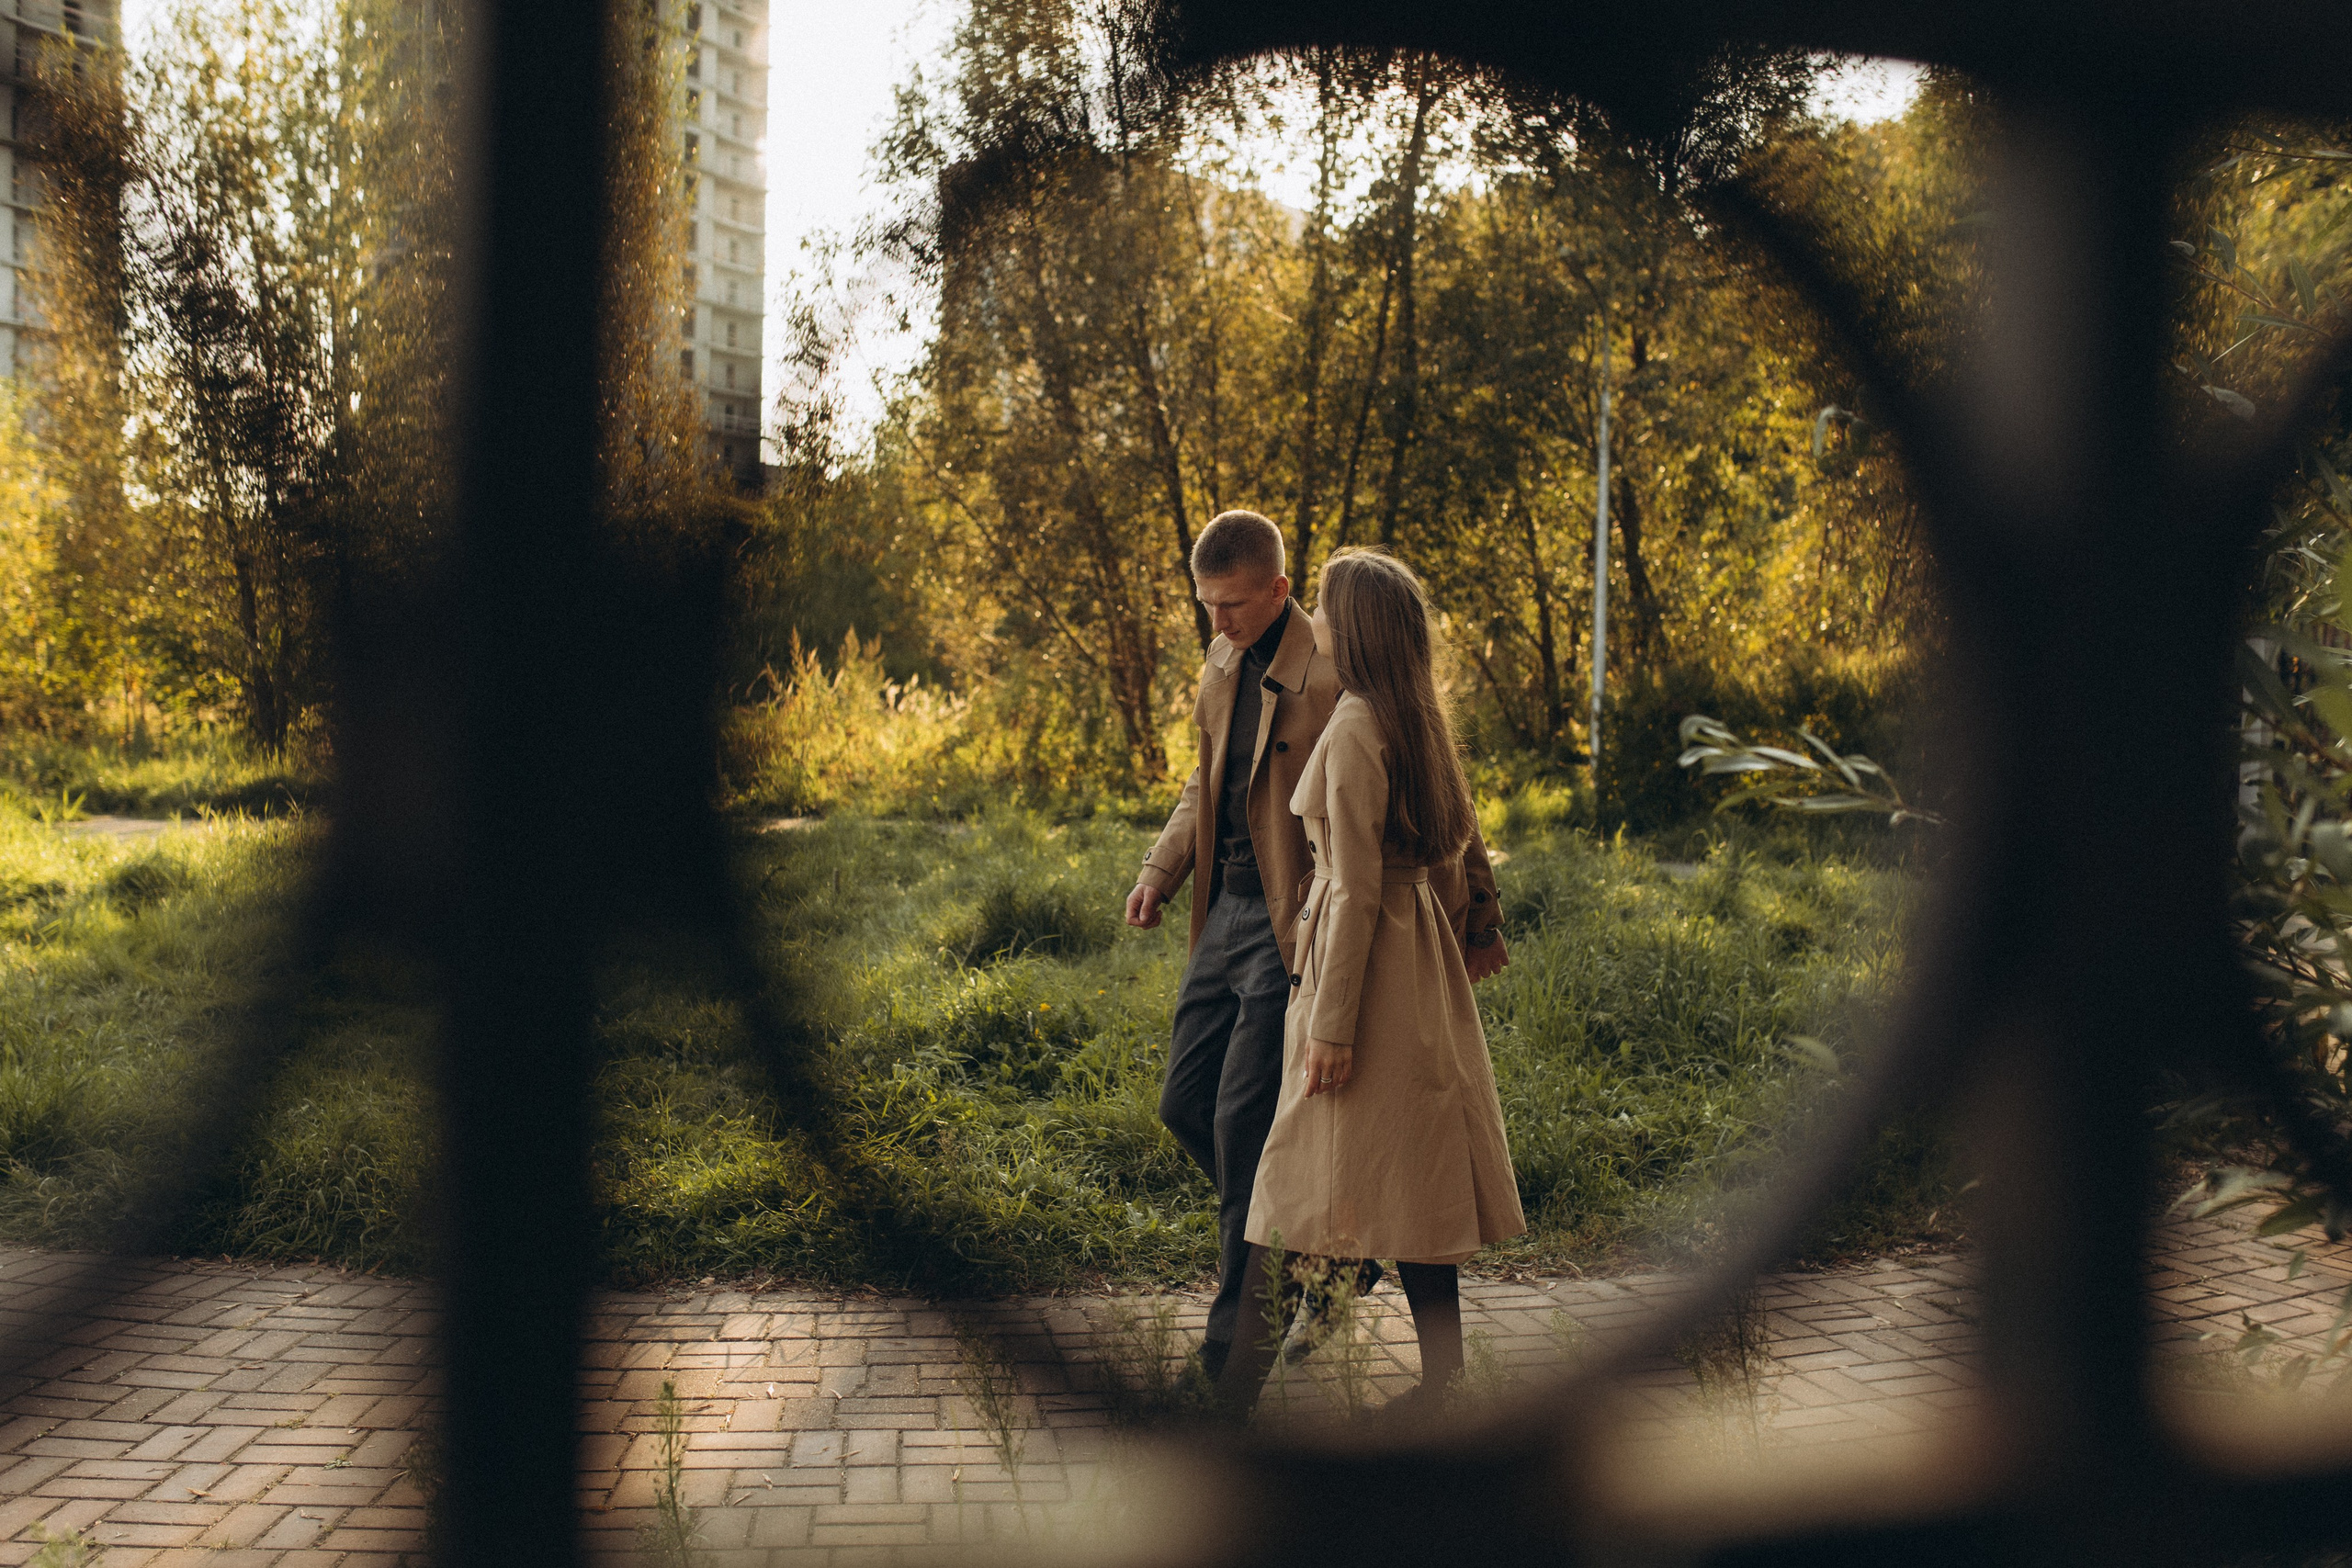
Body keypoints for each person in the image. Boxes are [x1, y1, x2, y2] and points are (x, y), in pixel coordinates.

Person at [1125, 513, 1510, 1398]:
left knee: (1258, 1135)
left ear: (1282, 591)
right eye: (1205, 607)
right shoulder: (1231, 665)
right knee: (1192, 1106)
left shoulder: (1348, 689)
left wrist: (1477, 917)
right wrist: (1163, 867)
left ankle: (1233, 1366)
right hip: (1247, 916)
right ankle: (1330, 1253)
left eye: (1231, 606)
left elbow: (1421, 811)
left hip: (1309, 925)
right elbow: (1206, 775)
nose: (1217, 624)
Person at [1234, 547, 1528, 1418]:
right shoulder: (1414, 715)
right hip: (1414, 961)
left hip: (1368, 973)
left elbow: (1357, 886)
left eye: (1323, 609)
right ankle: (1437, 1375)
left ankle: (1233, 1383)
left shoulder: (1362, 722)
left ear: (1352, 628)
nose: (1314, 623)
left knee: (1292, 1175)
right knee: (1404, 1179)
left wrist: (1330, 1026)